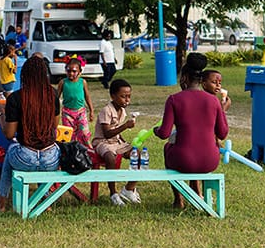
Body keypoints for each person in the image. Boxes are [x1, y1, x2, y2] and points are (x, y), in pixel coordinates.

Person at [154, 53, 229, 209]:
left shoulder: (174, 99)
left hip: (183, 160)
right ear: (201, 80)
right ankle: (195, 192)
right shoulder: (213, 100)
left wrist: (156, 130)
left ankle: (178, 200)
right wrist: (222, 111)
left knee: (168, 147)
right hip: (210, 161)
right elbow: (222, 133)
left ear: (184, 78)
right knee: (194, 148)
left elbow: (164, 134)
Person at [0, 56, 61, 212]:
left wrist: (1, 116)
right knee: (44, 155)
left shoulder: (15, 98)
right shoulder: (53, 94)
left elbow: (9, 134)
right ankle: (46, 202)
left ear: (24, 75)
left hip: (25, 158)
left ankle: (1, 202)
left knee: (10, 152)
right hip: (51, 159)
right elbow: (54, 125)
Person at [92, 79, 139, 206]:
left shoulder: (122, 111)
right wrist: (126, 126)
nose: (127, 100)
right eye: (123, 96)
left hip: (116, 141)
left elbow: (116, 131)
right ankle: (113, 193)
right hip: (103, 142)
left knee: (138, 155)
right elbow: (107, 133)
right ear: (113, 96)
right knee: (110, 157)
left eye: (129, 96)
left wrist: (124, 142)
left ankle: (129, 189)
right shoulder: (106, 110)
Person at [56, 57, 94, 148]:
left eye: (74, 71)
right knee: (69, 134)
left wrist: (91, 111)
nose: (71, 73)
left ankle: (89, 148)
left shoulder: (82, 82)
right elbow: (56, 98)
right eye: (68, 71)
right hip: (67, 113)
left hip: (80, 112)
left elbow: (87, 97)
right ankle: (71, 151)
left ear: (80, 72)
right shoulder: (63, 82)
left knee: (84, 133)